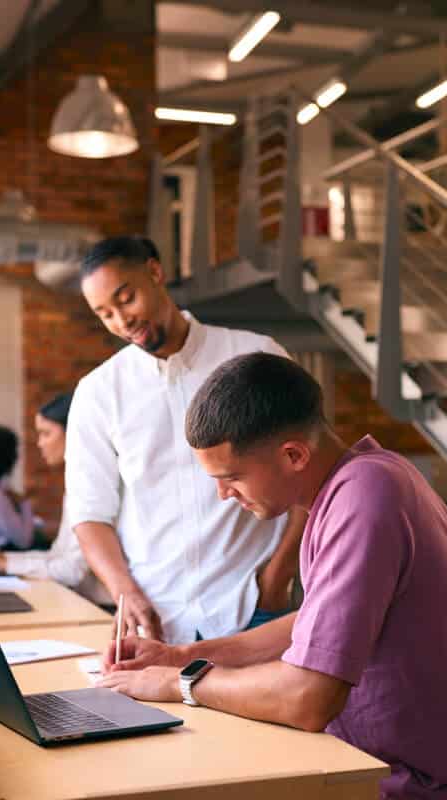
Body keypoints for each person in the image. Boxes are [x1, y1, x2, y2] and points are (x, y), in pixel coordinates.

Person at [98, 353, 447, 800]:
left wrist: (178, 685)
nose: (222, 495)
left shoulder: (366, 498)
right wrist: (179, 656)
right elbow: (315, 626)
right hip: (377, 771)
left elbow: (306, 697)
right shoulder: (359, 484)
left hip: (423, 789)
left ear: (293, 455)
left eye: (232, 477)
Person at [67, 236, 304, 643]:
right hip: (156, 620)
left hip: (253, 605)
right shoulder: (98, 392)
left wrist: (277, 576)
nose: (121, 321)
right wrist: (125, 593)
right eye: (105, 314)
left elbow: (307, 470)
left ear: (155, 272)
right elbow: (90, 514)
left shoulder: (255, 355)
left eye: (126, 299)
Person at [0, 394, 111, 606]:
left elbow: (70, 570)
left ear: (75, 432)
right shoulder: (78, 483)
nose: (39, 444)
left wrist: (5, 563)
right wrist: (3, 562)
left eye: (46, 433)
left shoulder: (94, 484)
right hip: (78, 598)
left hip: (98, 607)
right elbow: (59, 555)